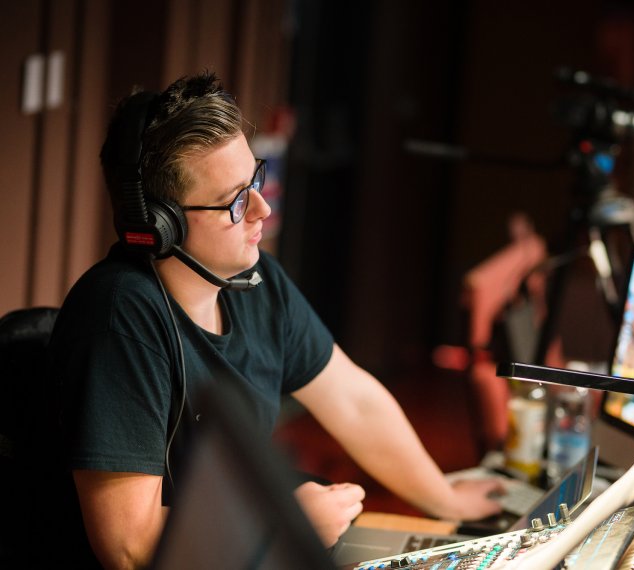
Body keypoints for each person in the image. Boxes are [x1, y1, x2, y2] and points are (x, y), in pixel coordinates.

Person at [47, 72, 503, 569]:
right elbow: (127, 548)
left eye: (256, 180)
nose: (263, 209)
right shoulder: (121, 318)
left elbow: (353, 401)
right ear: (160, 225)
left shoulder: (252, 280)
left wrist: (449, 503)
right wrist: (277, 524)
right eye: (236, 200)